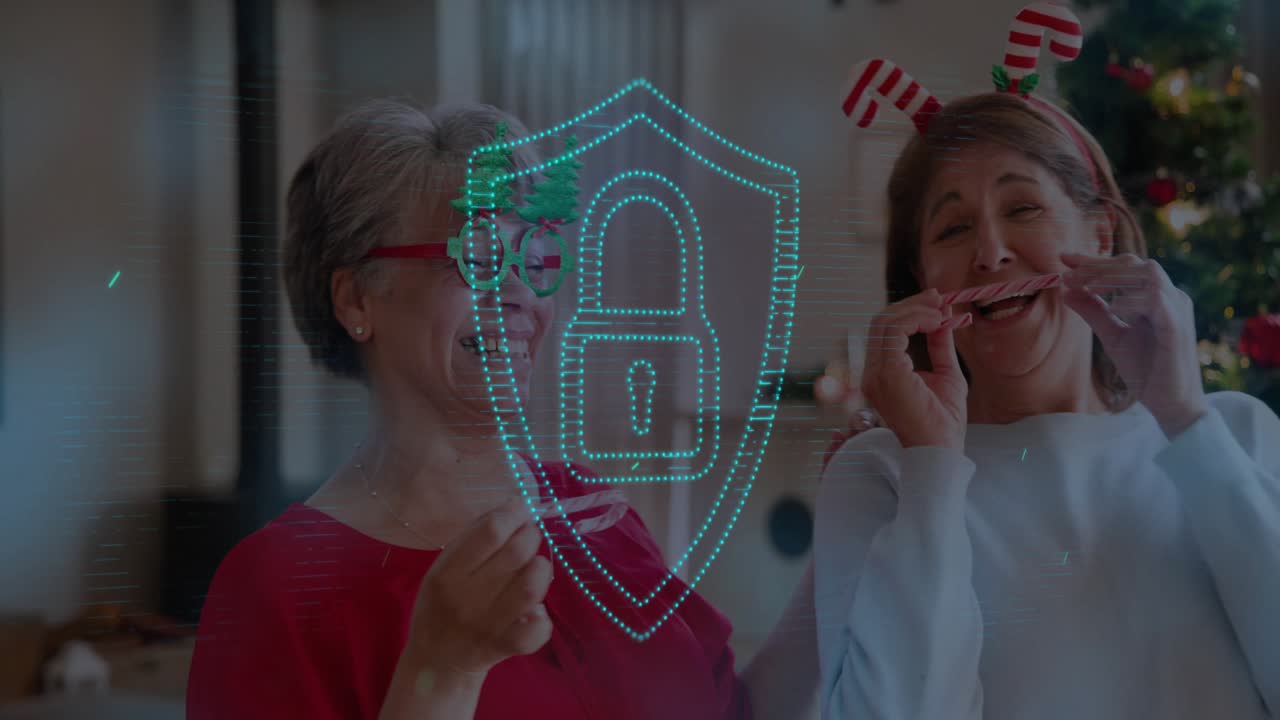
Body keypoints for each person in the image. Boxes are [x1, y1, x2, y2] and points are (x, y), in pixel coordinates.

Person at [186, 99, 817, 719]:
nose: (518, 291)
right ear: (356, 299)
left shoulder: (597, 517)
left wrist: (855, 537)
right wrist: (442, 671)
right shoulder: (278, 589)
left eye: (536, 256)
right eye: (480, 256)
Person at [815, 67, 1280, 719]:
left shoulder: (1237, 433)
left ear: (1100, 234)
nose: (991, 253)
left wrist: (1187, 421)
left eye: (1023, 208)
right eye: (953, 229)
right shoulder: (882, 475)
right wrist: (933, 472)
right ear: (922, 279)